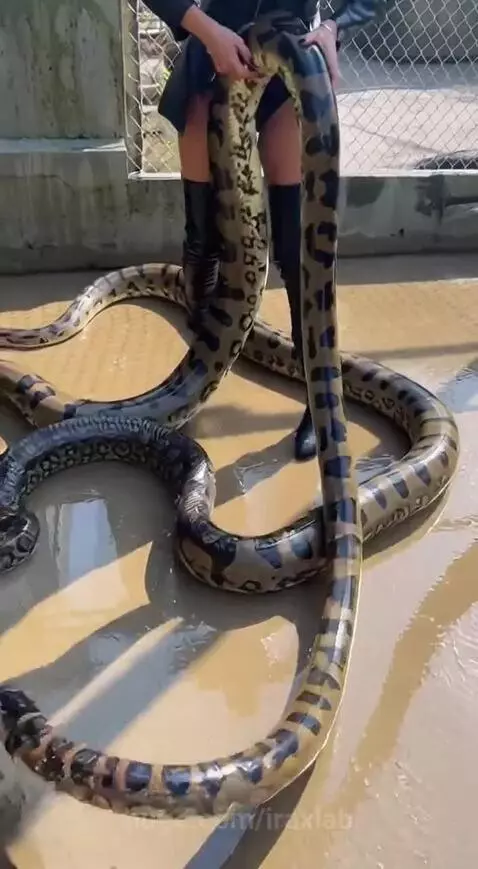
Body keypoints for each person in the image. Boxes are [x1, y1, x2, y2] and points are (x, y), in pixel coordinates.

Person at [142, 1, 387, 460]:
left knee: (299, 255)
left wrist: (336, 26)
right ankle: (203, 368)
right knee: (204, 240)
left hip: (290, 57)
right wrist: (206, 30)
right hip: (215, 51)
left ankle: (318, 401)